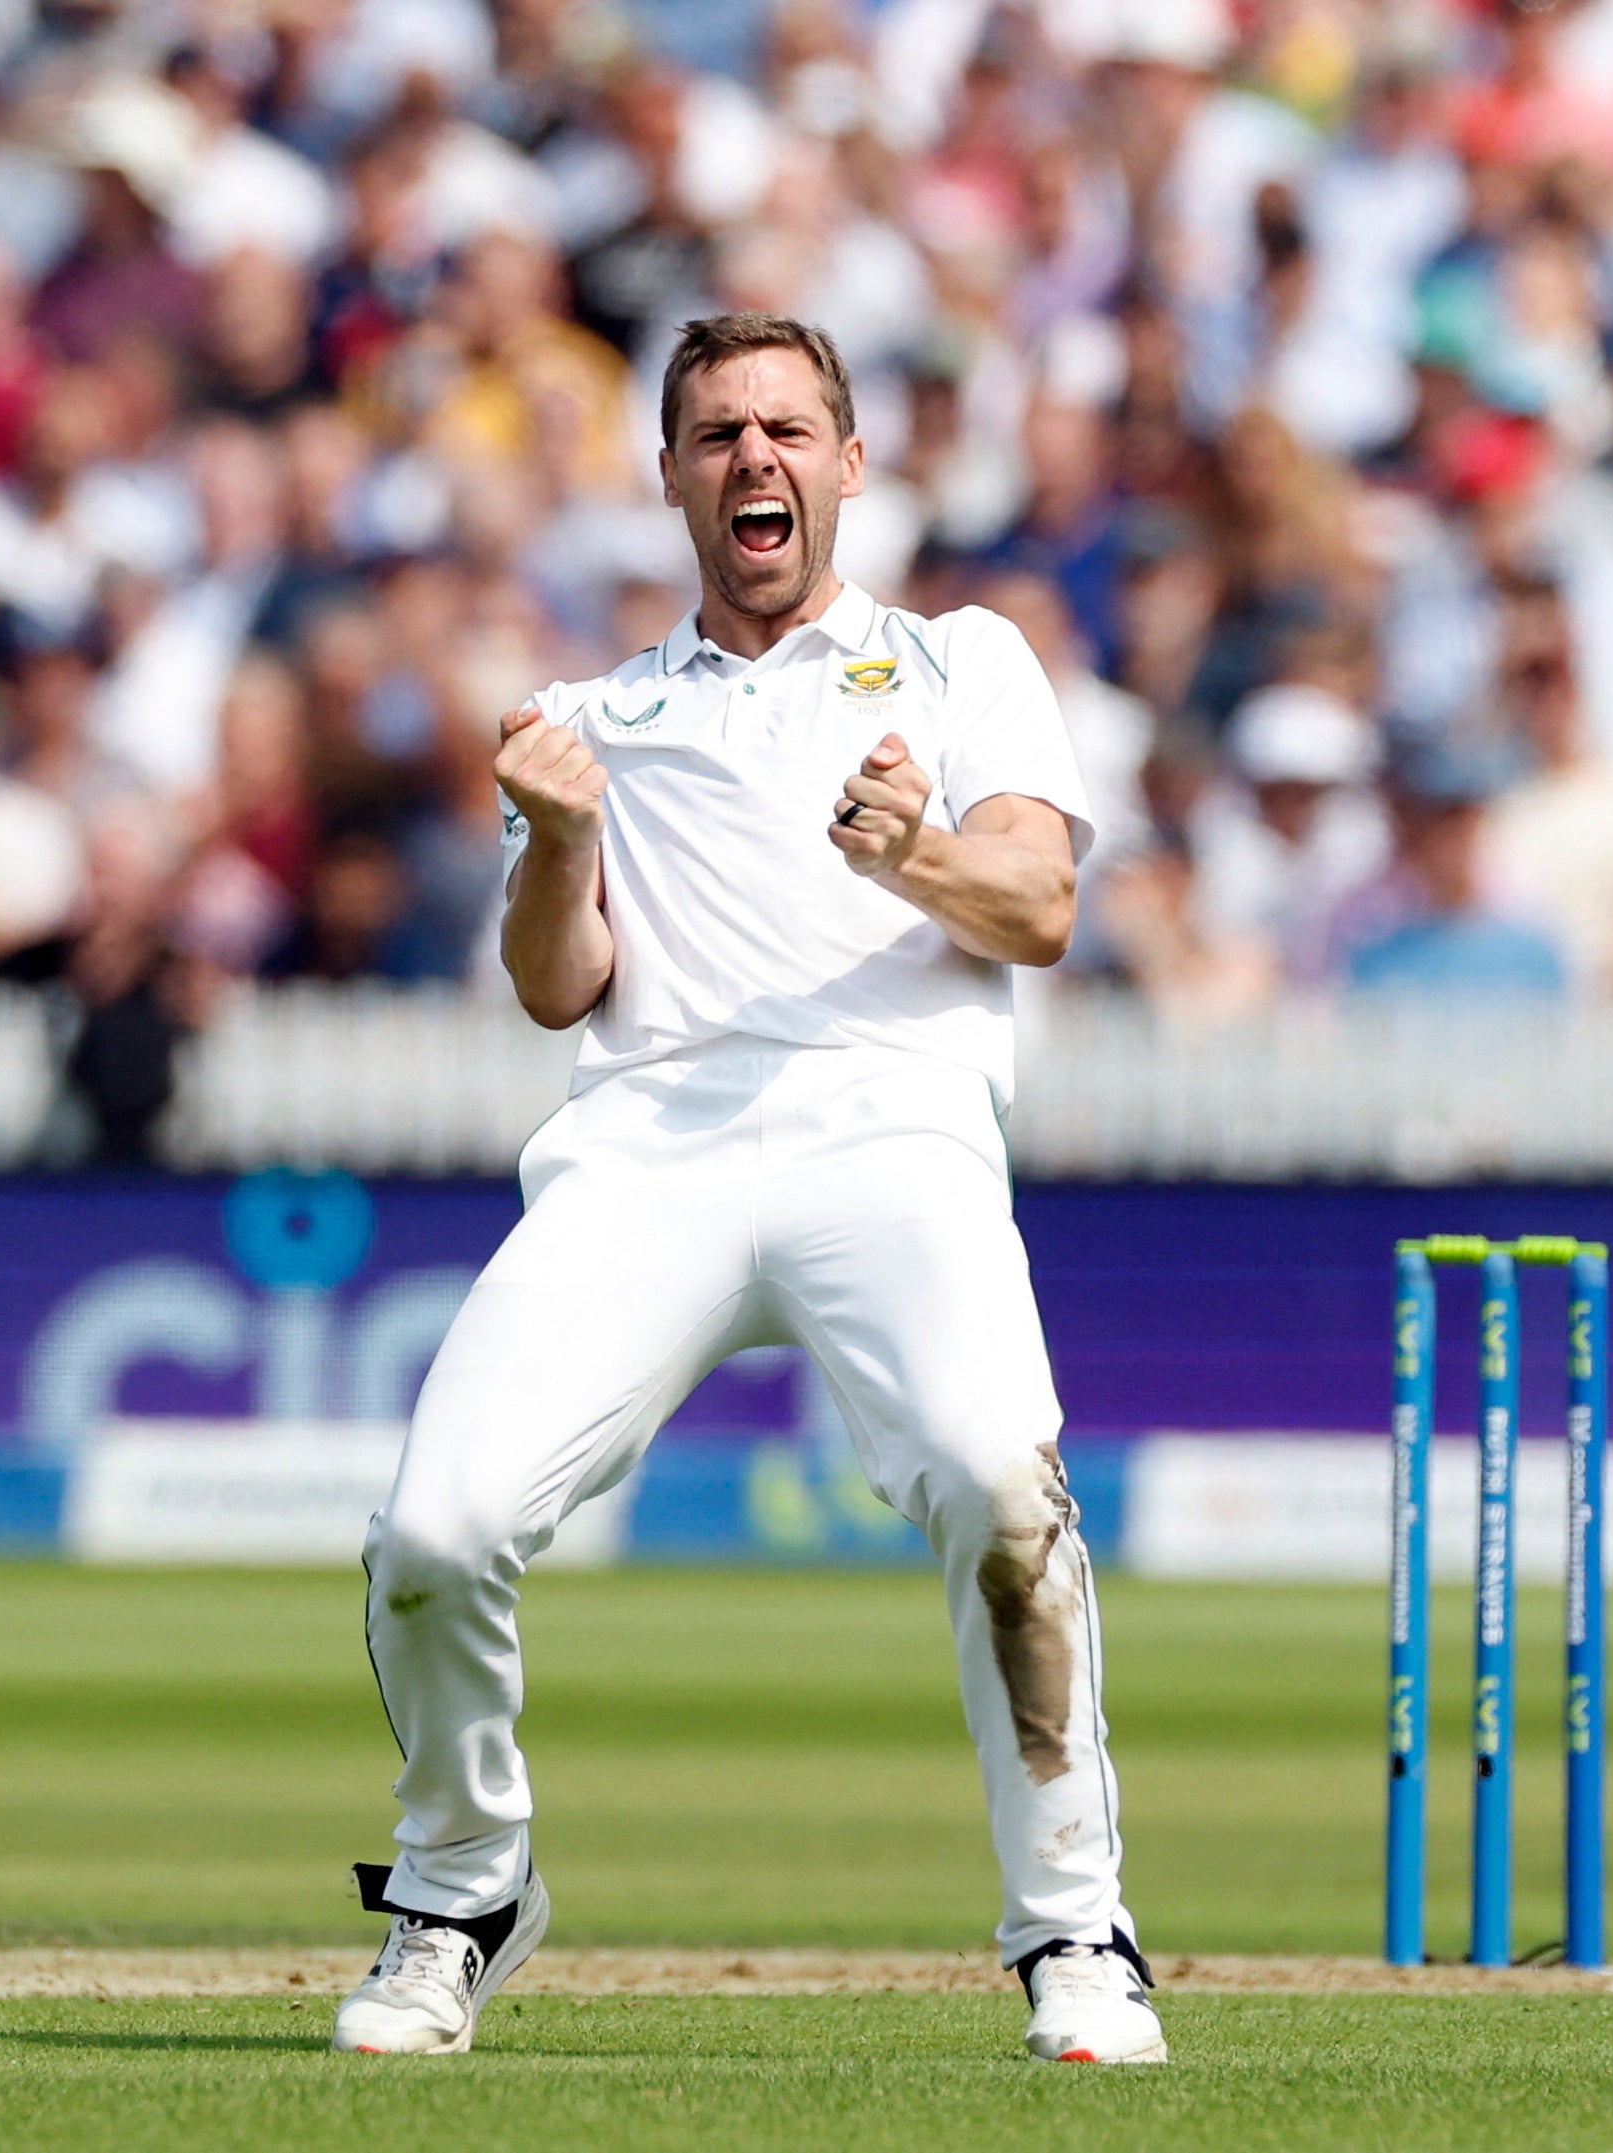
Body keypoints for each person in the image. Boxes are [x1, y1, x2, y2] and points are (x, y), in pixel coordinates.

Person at [335, 313, 1162, 2067]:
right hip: (649, 1147)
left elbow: (1039, 911)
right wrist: (558, 842)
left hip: (893, 1129)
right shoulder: (586, 716)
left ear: (850, 466)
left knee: (999, 1488)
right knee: (433, 1532)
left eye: (787, 428)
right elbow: (557, 988)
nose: (753, 459)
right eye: (716, 434)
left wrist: (912, 853)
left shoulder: (962, 662)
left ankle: (1076, 1930)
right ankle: (462, 1885)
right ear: (670, 480)